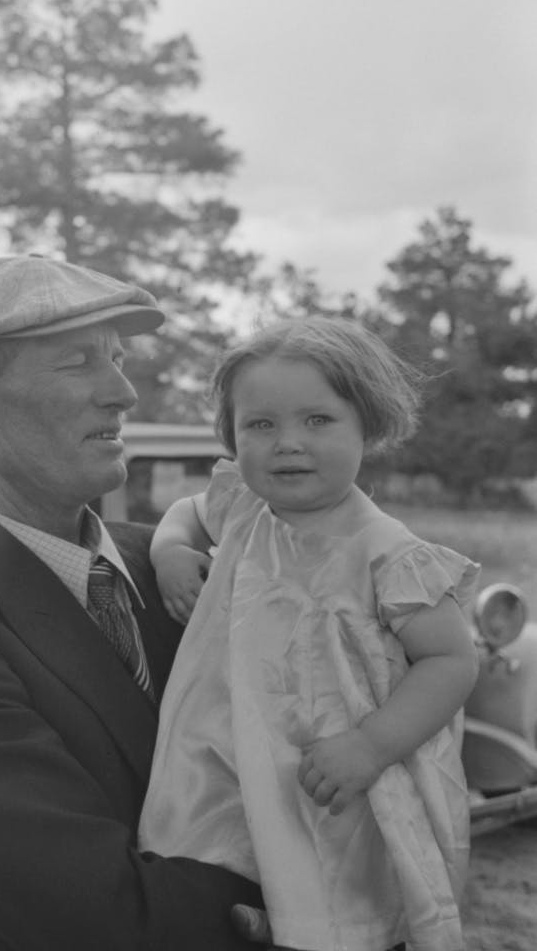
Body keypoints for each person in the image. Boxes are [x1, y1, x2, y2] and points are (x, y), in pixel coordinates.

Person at [0, 254, 267, 951]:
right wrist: (318, 898)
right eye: (78, 363)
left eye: (118, 359)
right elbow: (102, 923)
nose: (124, 393)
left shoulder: (175, 562)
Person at [138, 316, 481, 951]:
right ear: (232, 435)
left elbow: (451, 661)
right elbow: (184, 513)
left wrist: (371, 745)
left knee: (333, 870)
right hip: (233, 745)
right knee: (221, 843)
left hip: (339, 761)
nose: (288, 443)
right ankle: (252, 915)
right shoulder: (242, 509)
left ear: (367, 425)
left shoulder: (387, 552)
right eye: (260, 425)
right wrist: (170, 553)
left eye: (318, 420)